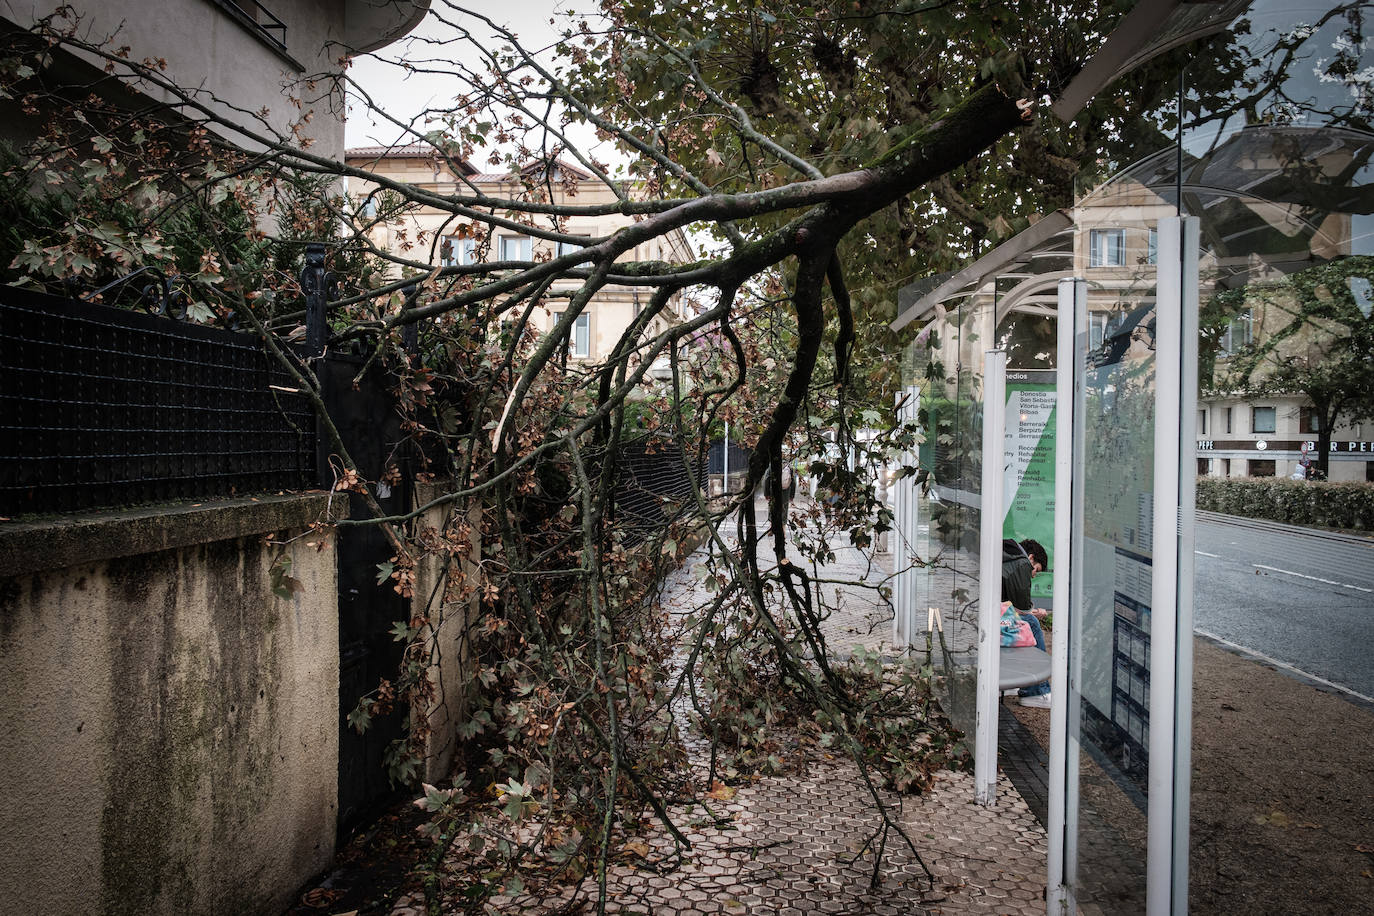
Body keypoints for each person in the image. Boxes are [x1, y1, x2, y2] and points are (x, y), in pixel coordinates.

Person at [1001, 537, 1051, 708]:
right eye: (1036, 569)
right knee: (1030, 623)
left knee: (1024, 621)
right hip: (988, 615)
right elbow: (1022, 607)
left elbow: (1011, 605)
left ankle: (1010, 680)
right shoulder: (1021, 563)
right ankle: (1035, 691)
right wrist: (1035, 613)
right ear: (1031, 558)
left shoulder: (1008, 555)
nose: (1033, 574)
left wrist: (1030, 611)